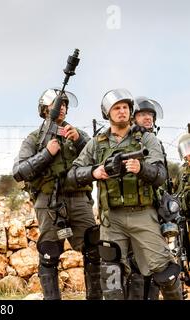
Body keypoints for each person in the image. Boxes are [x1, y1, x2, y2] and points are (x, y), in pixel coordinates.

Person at [67, 88, 182, 300]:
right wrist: (94, 172)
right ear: (107, 113)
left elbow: (160, 174)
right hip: (112, 218)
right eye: (117, 108)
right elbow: (72, 175)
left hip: (143, 214)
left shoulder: (146, 139)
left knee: (165, 271)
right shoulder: (96, 143)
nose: (122, 112)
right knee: (111, 274)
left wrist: (141, 168)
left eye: (126, 108)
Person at [12, 88, 101, 300]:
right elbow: (18, 171)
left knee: (94, 249)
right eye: (56, 104)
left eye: (64, 104)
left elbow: (98, 160)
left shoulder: (77, 134)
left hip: (79, 199)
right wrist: (46, 154)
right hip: (48, 202)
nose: (61, 108)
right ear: (45, 109)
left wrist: (79, 140)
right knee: (49, 252)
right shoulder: (34, 138)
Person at [127, 97, 165, 299]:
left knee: (157, 261)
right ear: (134, 118)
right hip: (136, 209)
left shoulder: (155, 142)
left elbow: (162, 175)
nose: (147, 118)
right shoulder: (132, 142)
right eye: (142, 114)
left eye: (150, 115)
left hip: (156, 207)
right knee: (136, 262)